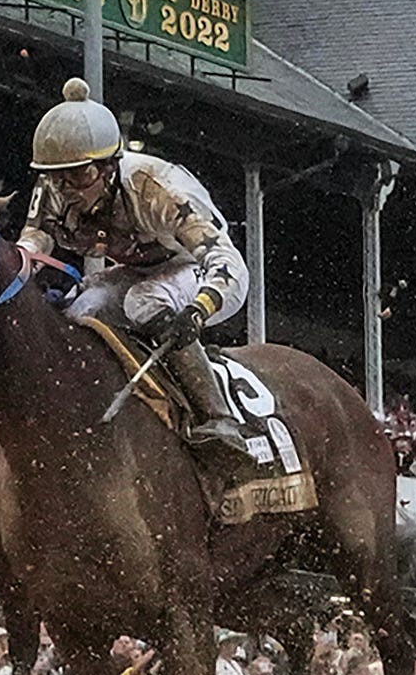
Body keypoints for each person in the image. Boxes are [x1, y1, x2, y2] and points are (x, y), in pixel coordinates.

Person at [23, 79, 255, 457]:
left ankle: (219, 417)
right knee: (83, 310)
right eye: (56, 176)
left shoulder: (158, 187)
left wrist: (197, 310)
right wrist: (17, 264)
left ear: (110, 167)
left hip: (194, 266)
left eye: (79, 176)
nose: (66, 189)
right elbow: (35, 237)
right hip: (135, 269)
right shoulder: (52, 187)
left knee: (144, 303)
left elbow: (224, 260)